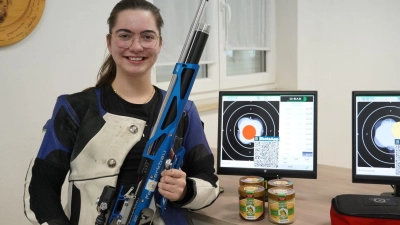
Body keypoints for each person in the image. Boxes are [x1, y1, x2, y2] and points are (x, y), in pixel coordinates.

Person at [23, 0, 220, 224]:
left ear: (159, 43)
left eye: (147, 36)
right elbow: (40, 189)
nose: (136, 47)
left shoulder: (184, 111)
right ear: (109, 41)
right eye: (125, 35)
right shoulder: (74, 108)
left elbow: (210, 182)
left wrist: (185, 190)